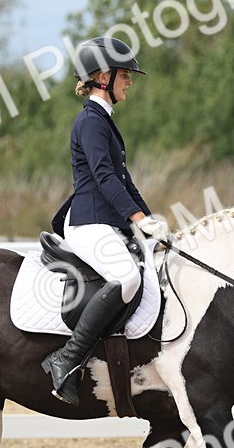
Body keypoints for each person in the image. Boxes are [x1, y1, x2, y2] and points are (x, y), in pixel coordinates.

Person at [43, 37, 169, 406]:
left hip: (106, 221)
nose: (129, 81)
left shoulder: (103, 121)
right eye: (124, 75)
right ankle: (67, 359)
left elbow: (125, 181)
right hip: (88, 223)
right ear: (103, 78)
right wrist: (137, 218)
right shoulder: (90, 122)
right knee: (127, 277)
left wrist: (150, 221)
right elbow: (104, 177)